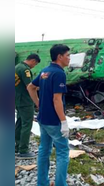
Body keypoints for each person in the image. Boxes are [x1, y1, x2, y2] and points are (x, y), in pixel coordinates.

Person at [27, 44, 71, 186]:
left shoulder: (45, 71)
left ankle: (42, 183)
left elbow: (31, 87)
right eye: (68, 55)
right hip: (53, 120)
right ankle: (60, 184)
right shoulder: (59, 73)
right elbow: (56, 99)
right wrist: (64, 122)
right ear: (60, 57)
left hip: (42, 119)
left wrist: (38, 103)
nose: (69, 58)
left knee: (44, 150)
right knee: (63, 151)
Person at [15, 53, 41, 159]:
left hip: (17, 99)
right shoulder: (25, 70)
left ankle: (17, 146)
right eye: (35, 64)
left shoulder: (16, 67)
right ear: (33, 61)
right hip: (25, 101)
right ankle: (23, 150)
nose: (33, 66)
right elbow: (30, 87)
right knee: (27, 124)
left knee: (20, 122)